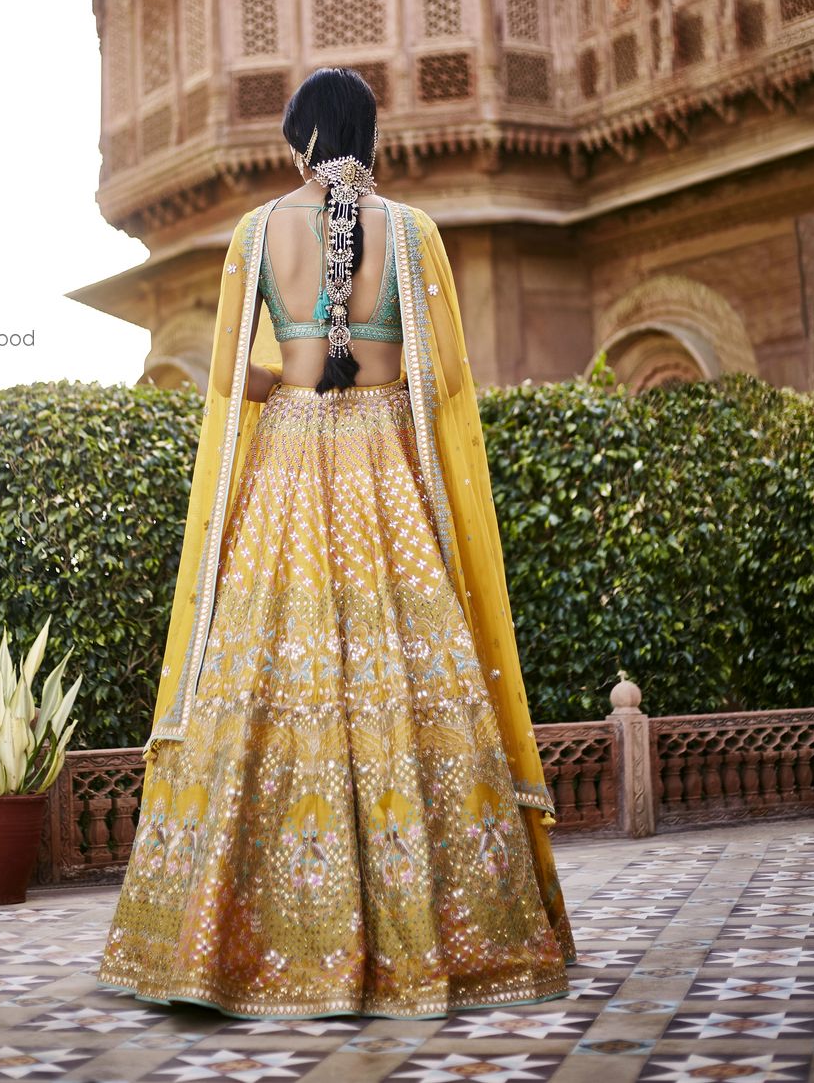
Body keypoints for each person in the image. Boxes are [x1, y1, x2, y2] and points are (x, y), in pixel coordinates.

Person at [97, 66, 577, 1020]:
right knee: (408, 680)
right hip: (384, 475)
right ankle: (447, 939)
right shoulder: (415, 234)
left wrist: (299, 382)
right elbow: (441, 389)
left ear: (303, 142)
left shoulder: (254, 233)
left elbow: (234, 382)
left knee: (264, 684)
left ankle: (223, 947)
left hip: (286, 469)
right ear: (370, 135)